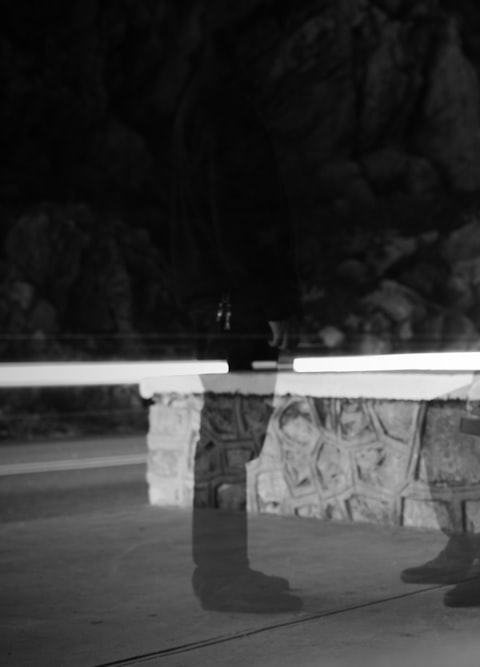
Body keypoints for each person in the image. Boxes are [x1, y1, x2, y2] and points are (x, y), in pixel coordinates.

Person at [167, 2, 302, 613]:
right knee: (227, 439)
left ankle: (225, 570)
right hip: (236, 303)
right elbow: (239, 215)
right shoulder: (225, 105)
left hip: (221, 298)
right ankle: (222, 575)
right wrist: (271, 299)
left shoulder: (206, 97)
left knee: (228, 439)